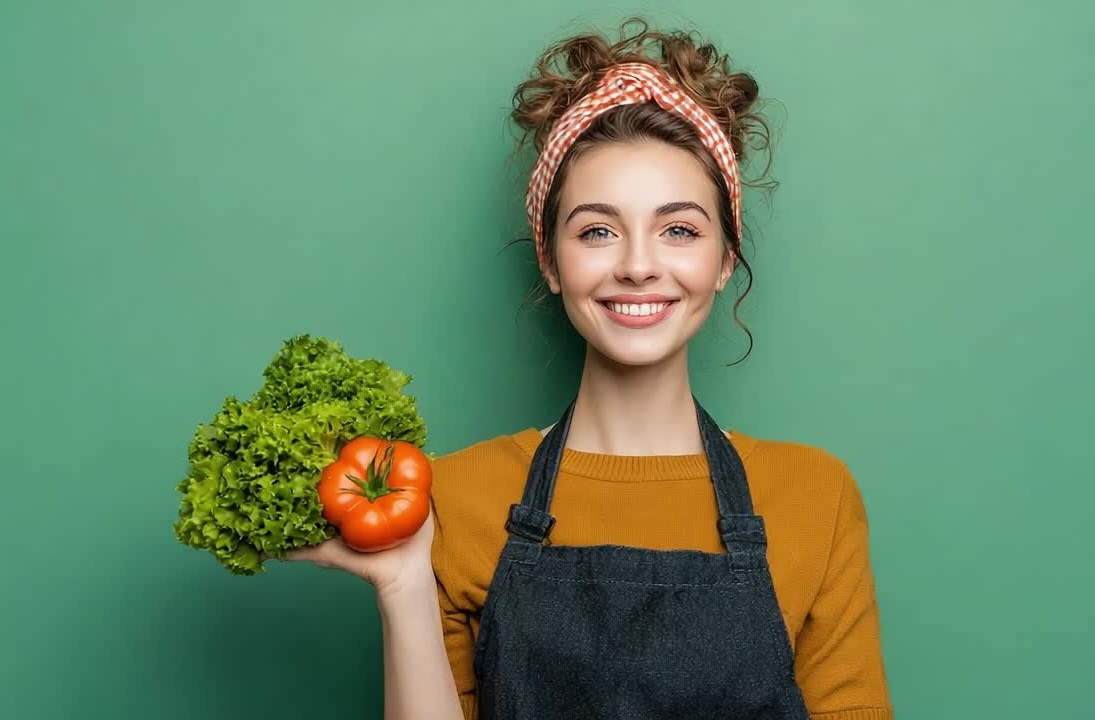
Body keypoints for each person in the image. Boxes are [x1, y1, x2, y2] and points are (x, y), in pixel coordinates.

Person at [287, 17, 893, 720]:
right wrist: (402, 585)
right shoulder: (454, 498)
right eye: (598, 230)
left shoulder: (815, 497)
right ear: (551, 260)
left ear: (724, 259)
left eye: (680, 230)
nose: (638, 265)